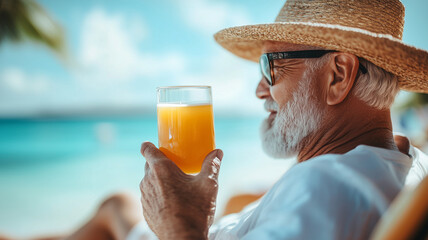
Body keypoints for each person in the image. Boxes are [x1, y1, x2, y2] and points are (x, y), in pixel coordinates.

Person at [139, 0, 428, 239]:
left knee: (112, 210)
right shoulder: (410, 161)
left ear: (338, 76)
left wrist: (176, 223)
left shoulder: (326, 188)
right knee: (117, 205)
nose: (259, 90)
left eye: (270, 67)